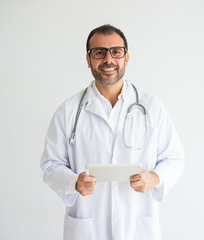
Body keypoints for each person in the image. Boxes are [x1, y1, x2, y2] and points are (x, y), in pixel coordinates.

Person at [40, 24, 184, 240]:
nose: (108, 59)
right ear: (88, 60)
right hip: (88, 227)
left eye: (116, 51)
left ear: (126, 58)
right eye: (99, 52)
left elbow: (174, 158)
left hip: (137, 227)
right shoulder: (68, 111)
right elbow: (50, 165)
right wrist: (73, 182)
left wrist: (155, 178)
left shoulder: (153, 107)